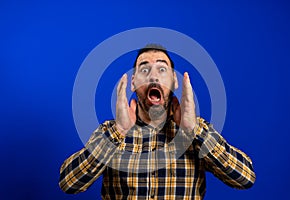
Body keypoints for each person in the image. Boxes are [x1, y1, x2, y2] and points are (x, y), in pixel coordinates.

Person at [59, 44, 256, 199]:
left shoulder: (197, 133)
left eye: (162, 69)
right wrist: (118, 131)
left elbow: (245, 178)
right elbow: (69, 183)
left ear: (174, 81)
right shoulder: (110, 133)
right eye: (145, 70)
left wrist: (194, 130)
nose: (153, 76)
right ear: (134, 82)